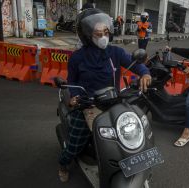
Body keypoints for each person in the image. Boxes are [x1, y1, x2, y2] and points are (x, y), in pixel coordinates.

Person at [58, 8, 152, 182]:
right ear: (86, 35)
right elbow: (73, 83)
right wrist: (75, 97)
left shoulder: (115, 52)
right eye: (98, 33)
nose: (103, 36)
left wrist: (145, 73)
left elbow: (134, 64)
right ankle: (64, 163)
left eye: (106, 32)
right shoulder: (77, 58)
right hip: (88, 105)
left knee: (130, 132)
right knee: (75, 144)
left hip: (113, 102)